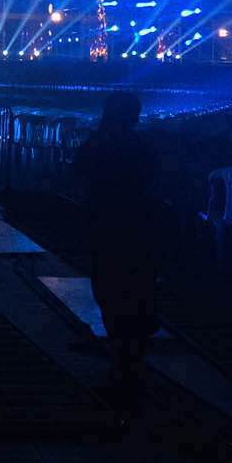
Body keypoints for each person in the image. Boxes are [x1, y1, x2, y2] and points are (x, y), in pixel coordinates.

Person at [74, 92, 159, 419]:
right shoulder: (140, 147)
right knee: (134, 295)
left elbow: (78, 170)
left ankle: (122, 370)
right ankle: (130, 368)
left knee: (110, 294)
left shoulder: (101, 144)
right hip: (136, 229)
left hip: (107, 227)